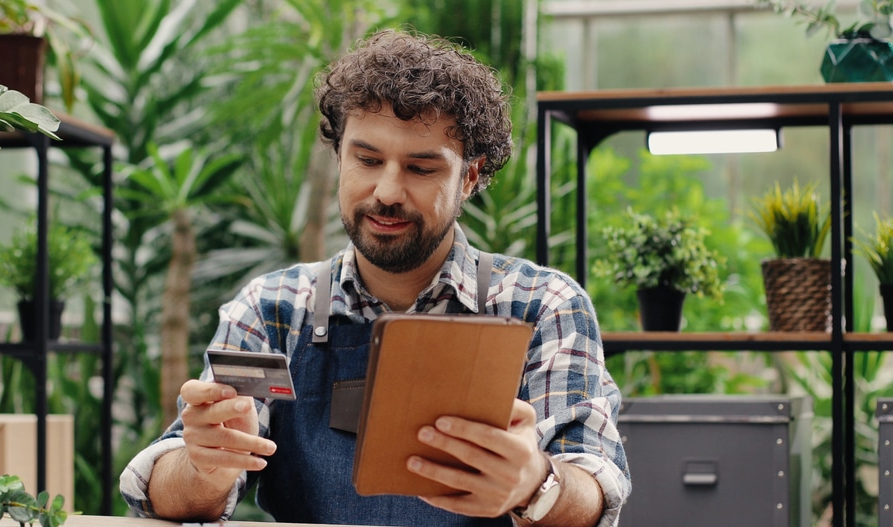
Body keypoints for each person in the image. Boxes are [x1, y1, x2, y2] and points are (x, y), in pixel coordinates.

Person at [120, 28, 630, 527]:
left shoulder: (541, 305)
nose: (387, 191)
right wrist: (206, 467)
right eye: (367, 159)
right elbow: (168, 491)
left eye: (421, 168)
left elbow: (592, 492)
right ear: (339, 156)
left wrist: (535, 484)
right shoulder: (273, 308)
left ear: (469, 177)